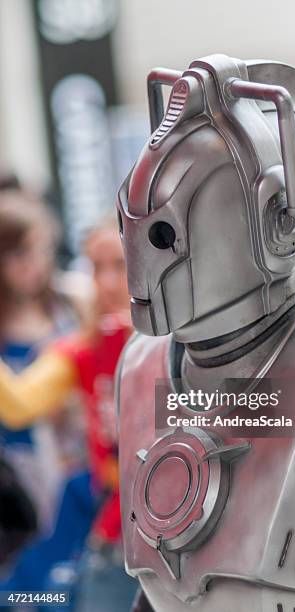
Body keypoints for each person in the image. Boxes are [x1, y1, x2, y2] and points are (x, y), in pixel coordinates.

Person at [116, 54, 295, 611]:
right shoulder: (142, 369)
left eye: (164, 234)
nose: (143, 263)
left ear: (277, 218)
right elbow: (161, 583)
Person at [0, 215, 137, 611]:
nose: (107, 283)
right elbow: (20, 405)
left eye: (121, 265)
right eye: (96, 267)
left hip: (194, 535)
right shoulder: (83, 348)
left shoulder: (182, 343)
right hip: (115, 536)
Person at [0, 180, 83, 530]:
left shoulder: (73, 302)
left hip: (81, 457)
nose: (32, 264)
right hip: (19, 474)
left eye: (40, 249)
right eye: (19, 253)